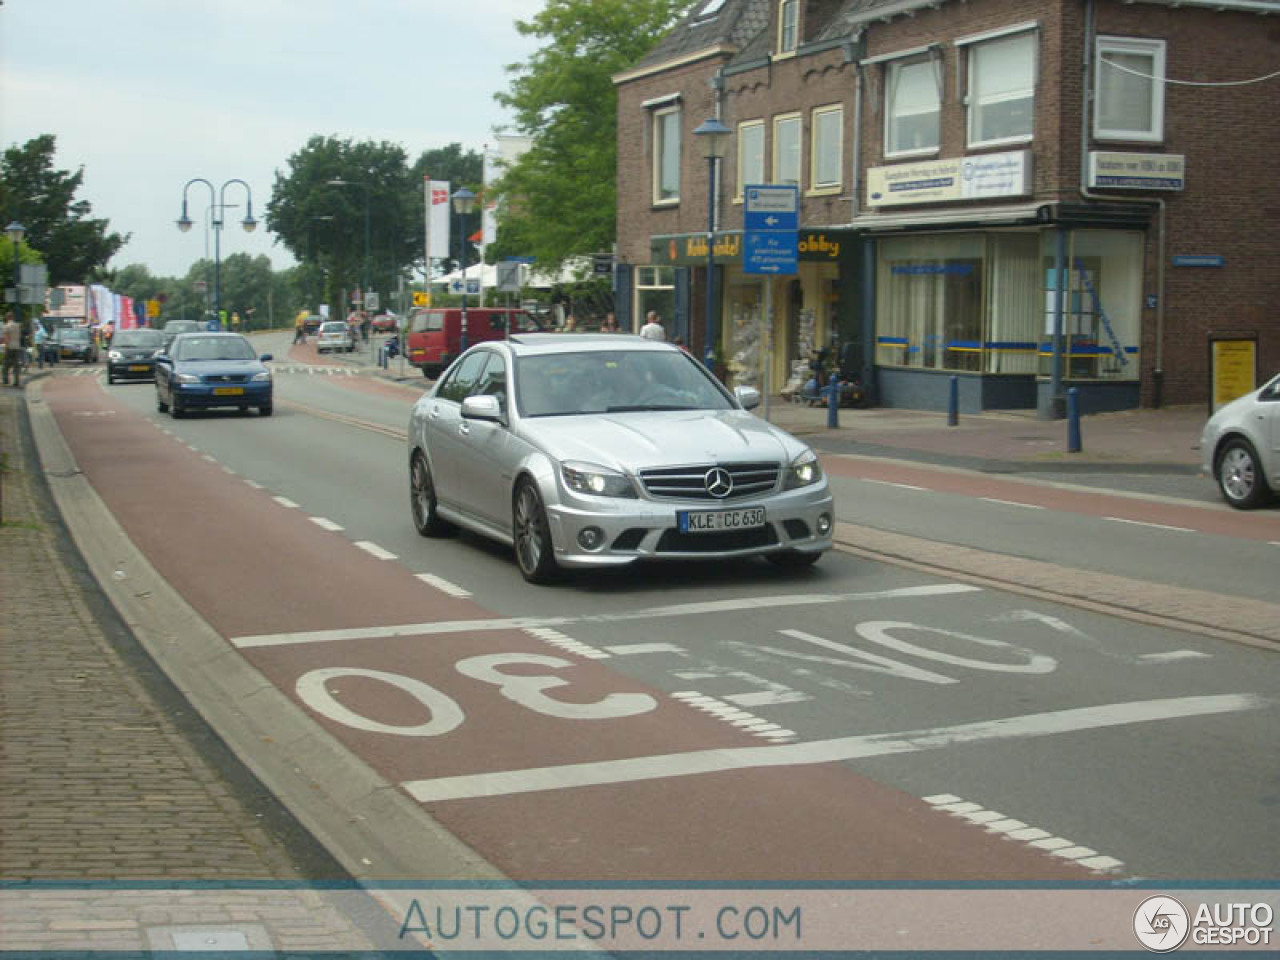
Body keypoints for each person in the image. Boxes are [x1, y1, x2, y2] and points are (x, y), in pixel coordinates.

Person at [2, 311, 23, 387]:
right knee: (16, 365)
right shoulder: (17, 326)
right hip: (17, 346)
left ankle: (5, 380)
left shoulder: (7, 326)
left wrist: (5, 347)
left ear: (7, 317)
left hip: (10, 347)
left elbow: (7, 338)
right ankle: (16, 381)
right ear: (13, 317)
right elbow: (19, 336)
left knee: (5, 364)